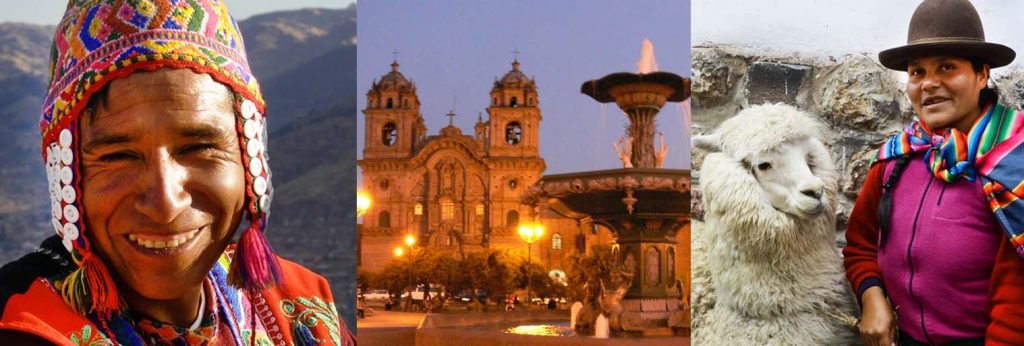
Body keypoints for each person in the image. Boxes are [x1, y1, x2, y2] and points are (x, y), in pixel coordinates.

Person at [0, 1, 356, 344]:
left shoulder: (303, 311)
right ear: (66, 172)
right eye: (118, 156)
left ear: (250, 158)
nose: (165, 204)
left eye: (198, 148)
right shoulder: (18, 324)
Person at [844, 0, 1024, 345]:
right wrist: (871, 296)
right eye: (917, 72)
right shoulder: (894, 160)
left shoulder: (1012, 169)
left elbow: (1016, 307)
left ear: (982, 74)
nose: (928, 83)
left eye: (946, 68)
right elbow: (860, 246)